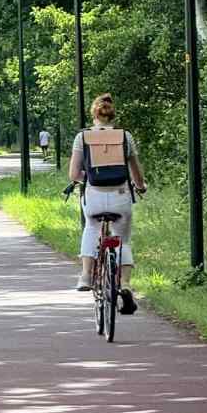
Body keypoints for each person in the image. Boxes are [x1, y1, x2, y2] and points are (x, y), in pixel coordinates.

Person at [68, 93, 146, 314]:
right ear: (113, 114)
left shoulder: (82, 138)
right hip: (120, 196)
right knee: (123, 240)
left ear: (94, 113)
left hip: (93, 197)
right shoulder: (125, 137)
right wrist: (140, 186)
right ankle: (125, 284)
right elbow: (137, 174)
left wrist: (89, 179)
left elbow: (73, 174)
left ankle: (85, 276)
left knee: (91, 229)